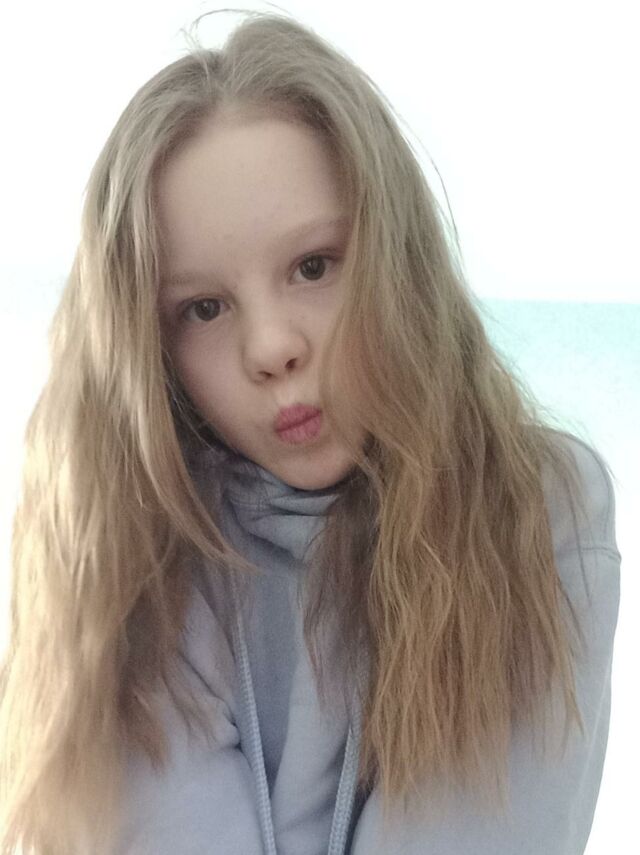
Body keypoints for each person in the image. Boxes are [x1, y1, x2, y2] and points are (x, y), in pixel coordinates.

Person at [0, 10, 621, 855]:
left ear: (396, 257)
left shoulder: (534, 509)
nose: (270, 347)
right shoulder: (125, 546)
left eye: (313, 265)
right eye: (204, 308)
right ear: (152, 345)